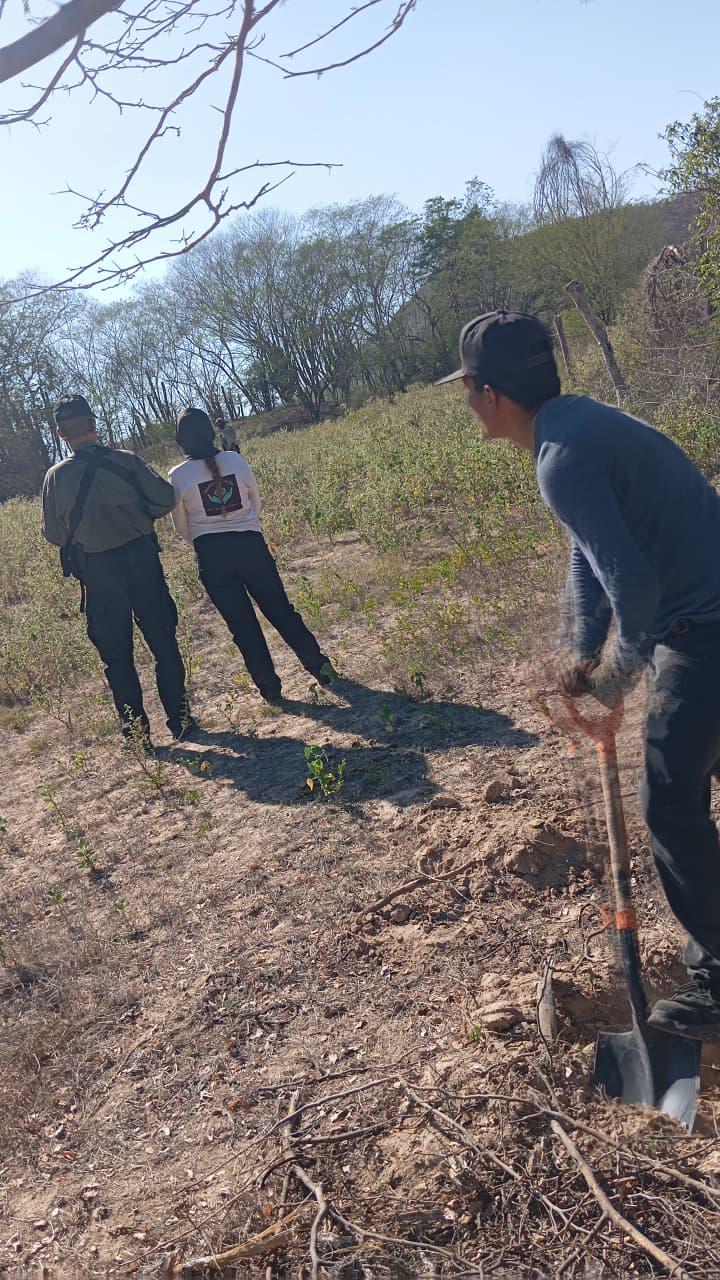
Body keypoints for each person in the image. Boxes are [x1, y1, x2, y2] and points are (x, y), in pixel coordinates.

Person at [438, 310, 720, 1042]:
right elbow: (589, 554)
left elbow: (636, 585)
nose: (468, 403)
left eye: (467, 390)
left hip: (704, 631)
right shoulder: (578, 427)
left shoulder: (562, 458)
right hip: (705, 617)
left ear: (490, 394)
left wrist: (615, 680)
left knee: (670, 803)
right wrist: (582, 651)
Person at [42, 395, 194, 745]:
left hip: (98, 573)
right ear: (94, 425)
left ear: (61, 434)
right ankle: (181, 720)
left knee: (116, 656)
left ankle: (136, 735)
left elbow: (54, 534)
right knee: (163, 641)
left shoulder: (55, 477)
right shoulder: (127, 461)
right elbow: (165, 498)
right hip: (142, 561)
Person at [169, 407, 334, 702]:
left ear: (180, 441)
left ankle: (269, 688)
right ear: (211, 433)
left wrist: (204, 540)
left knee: (242, 627)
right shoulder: (235, 460)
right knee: (281, 610)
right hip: (251, 546)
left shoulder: (178, 475)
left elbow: (181, 526)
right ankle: (321, 668)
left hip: (211, 556)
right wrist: (243, 523)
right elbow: (255, 503)